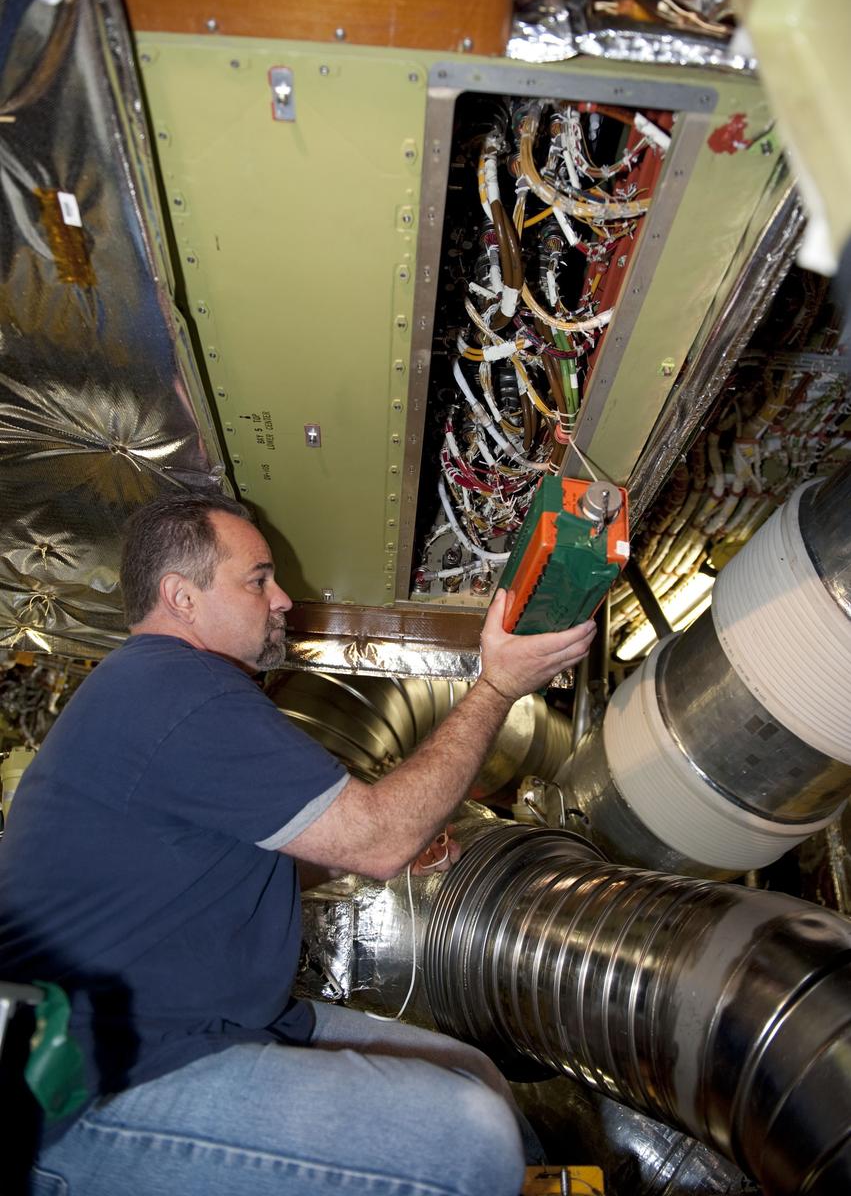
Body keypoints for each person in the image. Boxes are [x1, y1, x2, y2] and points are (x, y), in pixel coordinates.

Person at [0, 492, 596, 1196]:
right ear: (180, 597)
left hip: (203, 1023)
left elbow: (242, 865)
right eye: (258, 579)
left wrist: (378, 848)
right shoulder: (176, 690)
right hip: (94, 1082)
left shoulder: (156, 688)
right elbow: (377, 838)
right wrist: (497, 686)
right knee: (465, 1135)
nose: (282, 598)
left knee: (475, 1076)